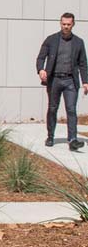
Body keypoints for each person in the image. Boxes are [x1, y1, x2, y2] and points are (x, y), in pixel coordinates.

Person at [36, 13, 87, 151]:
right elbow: (40, 58)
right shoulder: (51, 40)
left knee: (71, 110)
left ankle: (73, 140)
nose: (66, 26)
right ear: (60, 23)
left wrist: (85, 81)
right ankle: (50, 136)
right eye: (63, 24)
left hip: (71, 80)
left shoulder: (78, 42)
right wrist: (41, 70)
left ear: (73, 24)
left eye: (68, 24)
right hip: (54, 80)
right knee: (53, 108)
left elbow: (83, 64)